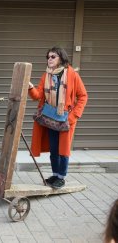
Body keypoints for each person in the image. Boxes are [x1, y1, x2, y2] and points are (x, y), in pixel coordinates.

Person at [28, 46, 88, 189]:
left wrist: (73, 117)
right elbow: (38, 96)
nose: (49, 59)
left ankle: (61, 177)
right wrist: (30, 87)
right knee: (54, 148)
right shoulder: (46, 75)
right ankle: (55, 174)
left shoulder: (72, 74)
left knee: (63, 150)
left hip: (66, 119)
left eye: (53, 56)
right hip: (50, 118)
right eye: (48, 57)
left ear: (61, 58)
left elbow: (83, 96)